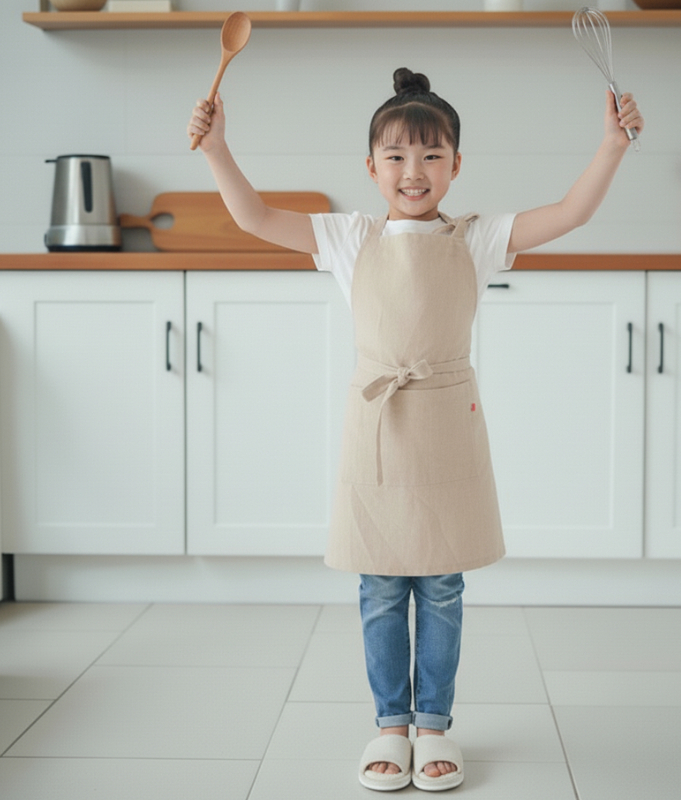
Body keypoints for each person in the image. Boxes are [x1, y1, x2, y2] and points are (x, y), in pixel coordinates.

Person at [187, 67, 643, 793]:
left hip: (447, 426)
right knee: (378, 585)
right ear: (371, 168)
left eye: (432, 156)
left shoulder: (478, 238)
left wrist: (612, 147)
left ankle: (434, 725)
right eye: (397, 157)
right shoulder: (346, 237)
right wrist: (216, 149)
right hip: (376, 427)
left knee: (441, 584)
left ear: (456, 166)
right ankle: (389, 727)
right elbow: (254, 218)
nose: (414, 171)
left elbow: (568, 214)